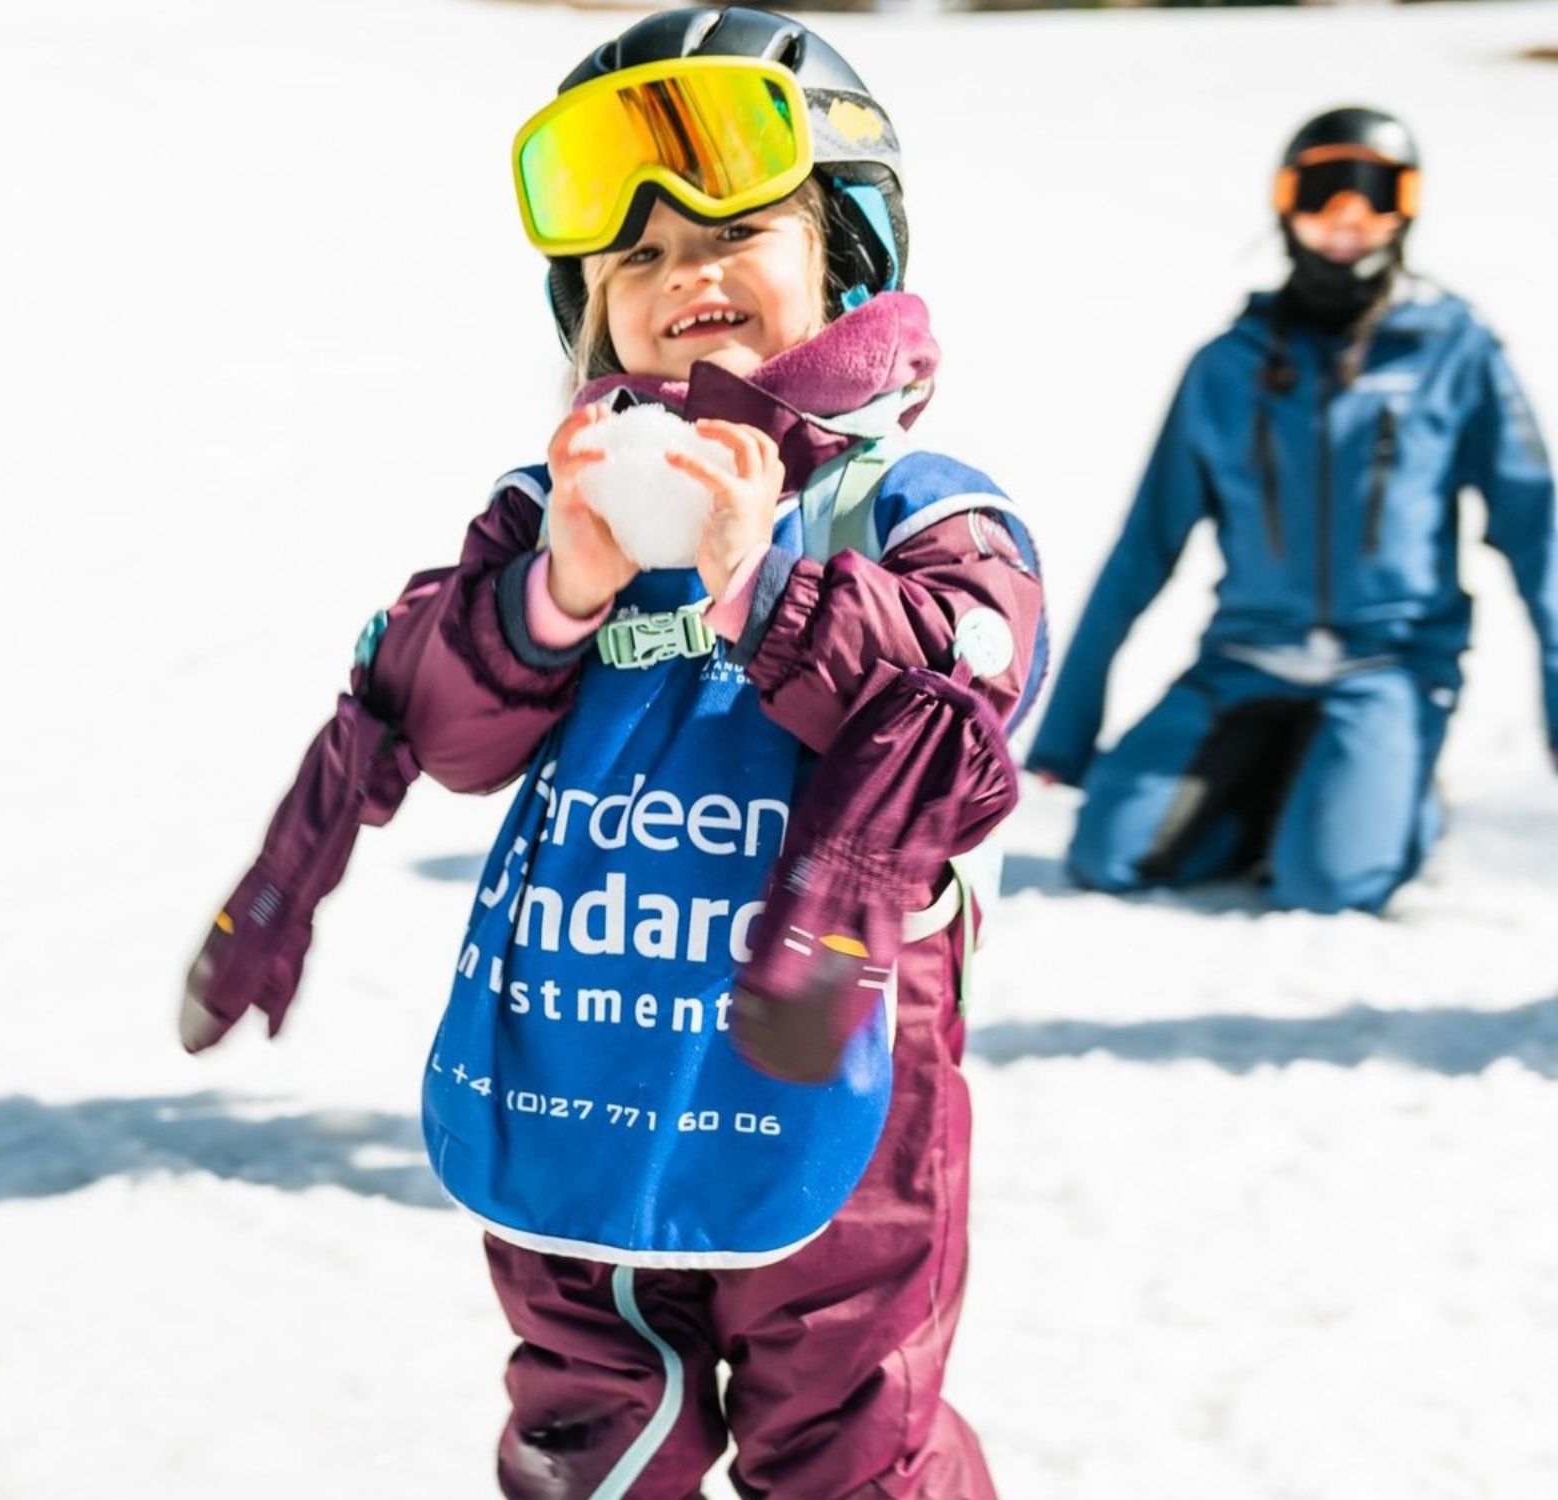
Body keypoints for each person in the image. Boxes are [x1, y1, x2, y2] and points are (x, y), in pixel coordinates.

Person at [181, 9, 1044, 1496]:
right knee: (590, 1434)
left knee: (850, 1448)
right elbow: (443, 728)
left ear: (846, 246)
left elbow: (969, 705)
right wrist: (554, 595)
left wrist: (758, 583)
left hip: (832, 1072)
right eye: (632, 256)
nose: (682, 275)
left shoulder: (906, 505)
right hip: (586, 1049)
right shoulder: (555, 501)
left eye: (734, 229)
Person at [1026, 106, 1557, 914]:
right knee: (1111, 856)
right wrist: (1067, 730)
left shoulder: (1455, 351)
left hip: (1390, 668)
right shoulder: (1227, 366)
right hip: (1244, 664)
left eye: (1374, 196)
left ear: (1405, 210)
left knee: (1331, 885)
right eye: (1322, 194)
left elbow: (1537, 534)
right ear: (1286, 203)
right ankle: (1295, 788)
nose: (1346, 222)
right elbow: (1144, 548)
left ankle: (1385, 799)